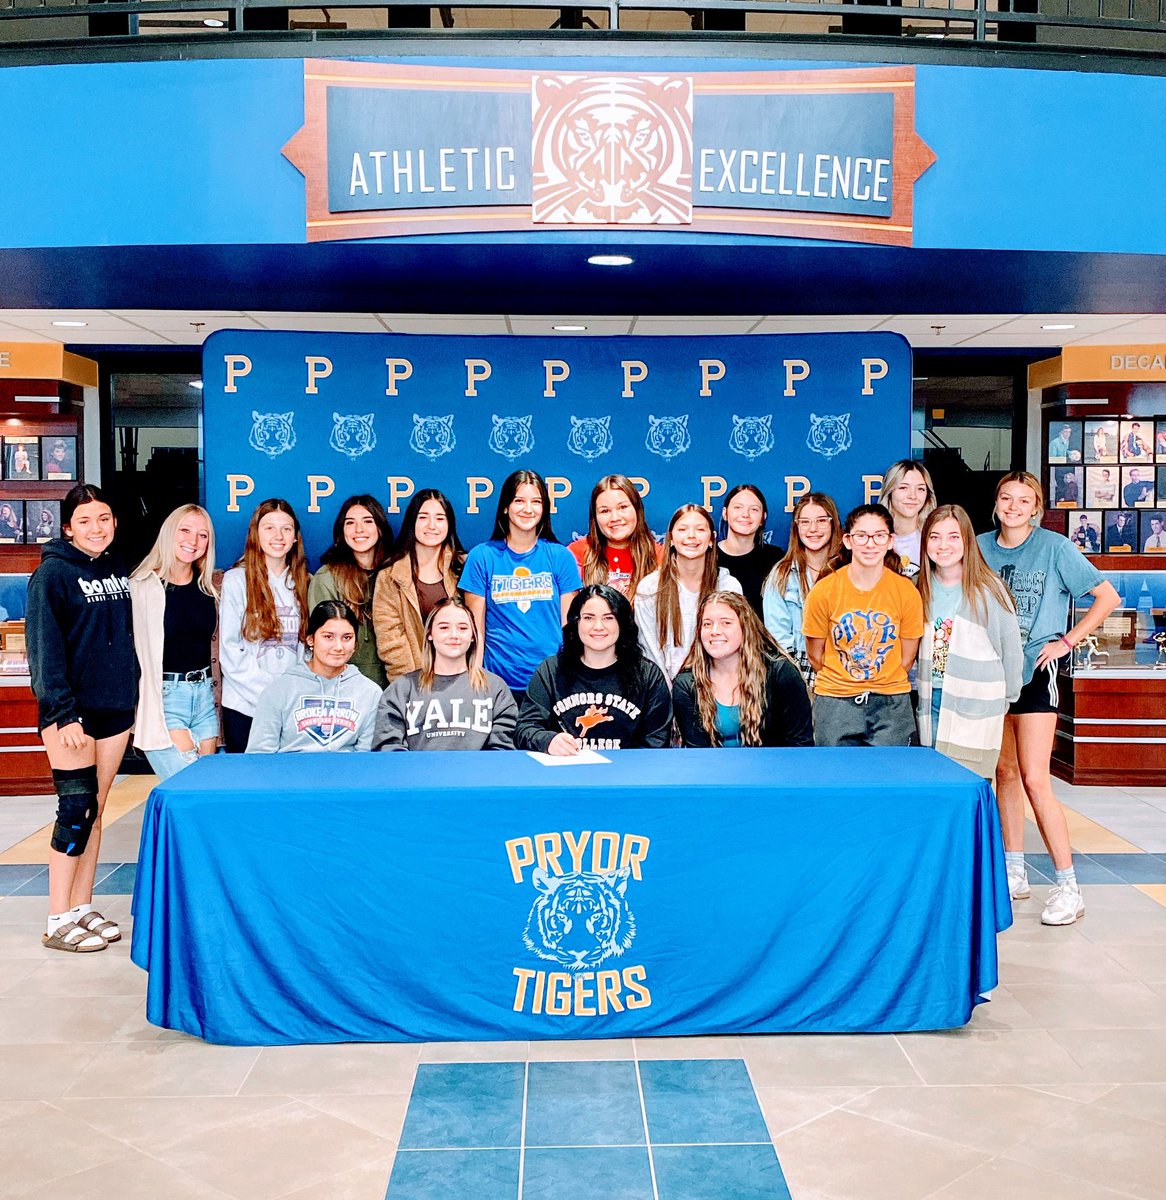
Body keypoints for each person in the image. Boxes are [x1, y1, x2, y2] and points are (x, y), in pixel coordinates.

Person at [978, 471, 1121, 926]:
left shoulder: (1056, 547)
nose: (1014, 506)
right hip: (989, 671)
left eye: (1024, 500)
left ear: (1036, 507)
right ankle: (1014, 871)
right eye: (1007, 498)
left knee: (1037, 778)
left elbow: (1107, 597)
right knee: (1005, 772)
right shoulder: (979, 546)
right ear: (996, 503)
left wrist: (1067, 641)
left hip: (1037, 670)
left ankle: (1068, 885)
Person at [26, 484, 137, 953]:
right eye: (86, 520)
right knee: (74, 811)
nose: (97, 527)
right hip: (72, 715)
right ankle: (56, 917)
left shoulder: (117, 569)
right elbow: (44, 651)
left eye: (105, 518)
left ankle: (81, 906)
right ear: (68, 527)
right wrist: (61, 711)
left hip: (115, 709)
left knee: (95, 814)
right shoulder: (51, 575)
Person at [803, 504, 924, 747]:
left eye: (879, 536)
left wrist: (877, 680)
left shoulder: (906, 592)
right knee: (836, 780)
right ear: (848, 541)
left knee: (889, 780)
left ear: (890, 541)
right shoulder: (824, 591)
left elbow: (907, 657)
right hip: (836, 702)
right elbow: (816, 656)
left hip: (890, 704)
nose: (870, 544)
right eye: (862, 536)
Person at [916, 505, 1023, 778]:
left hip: (977, 701)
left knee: (970, 783)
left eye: (953, 537)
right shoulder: (917, 586)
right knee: (934, 781)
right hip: (932, 698)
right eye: (935, 537)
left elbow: (1010, 650)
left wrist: (1007, 698)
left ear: (967, 541)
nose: (943, 546)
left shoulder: (989, 589)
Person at [461, 470, 581, 703]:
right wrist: (473, 676)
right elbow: (475, 629)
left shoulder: (560, 556)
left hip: (552, 681)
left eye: (536, 502)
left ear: (545, 508)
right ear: (505, 507)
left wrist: (572, 675)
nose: (528, 509)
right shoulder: (482, 556)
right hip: (496, 683)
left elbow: (570, 628)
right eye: (519, 501)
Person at [516, 584, 672, 754]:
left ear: (622, 623)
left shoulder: (648, 676)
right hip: (566, 772)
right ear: (576, 622)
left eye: (608, 618)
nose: (598, 626)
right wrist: (548, 741)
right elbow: (525, 728)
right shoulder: (551, 671)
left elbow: (656, 741)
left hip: (627, 775)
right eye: (589, 618)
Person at [129, 505, 219, 779]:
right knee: (187, 786)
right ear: (169, 532)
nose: (193, 541)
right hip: (166, 697)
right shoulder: (141, 586)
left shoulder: (212, 587)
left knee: (205, 787)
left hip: (206, 696)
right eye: (185, 530)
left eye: (202, 535)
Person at [219, 498, 310, 753]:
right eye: (269, 527)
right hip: (245, 706)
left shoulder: (304, 582)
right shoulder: (237, 580)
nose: (278, 536)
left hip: (292, 706)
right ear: (256, 534)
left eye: (286, 528)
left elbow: (308, 651)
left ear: (295, 537)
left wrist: (291, 696)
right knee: (249, 785)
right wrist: (271, 696)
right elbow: (230, 650)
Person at [374, 597, 517, 751]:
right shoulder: (402, 690)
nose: (454, 635)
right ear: (430, 634)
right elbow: (388, 750)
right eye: (444, 628)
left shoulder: (495, 689)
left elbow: (502, 752)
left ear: (473, 636)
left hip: (478, 774)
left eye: (463, 628)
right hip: (418, 774)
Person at [673, 591, 813, 748]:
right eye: (707, 624)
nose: (715, 631)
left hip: (774, 769)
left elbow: (800, 745)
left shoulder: (780, 674)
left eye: (726, 623)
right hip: (713, 770)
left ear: (745, 627)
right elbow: (698, 755)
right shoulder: (686, 684)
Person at [247, 600, 381, 752]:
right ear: (310, 639)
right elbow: (260, 755)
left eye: (347, 637)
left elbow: (366, 759)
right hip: (289, 774)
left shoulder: (371, 693)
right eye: (328, 637)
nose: (338, 647)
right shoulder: (278, 691)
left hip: (347, 774)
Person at [634, 504, 742, 682]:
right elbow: (650, 652)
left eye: (700, 529)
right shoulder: (650, 588)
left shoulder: (728, 587)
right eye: (683, 529)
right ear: (670, 538)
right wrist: (670, 698)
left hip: (717, 688)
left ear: (711, 539)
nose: (691, 536)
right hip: (665, 693)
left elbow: (733, 649)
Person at [373, 488, 465, 682]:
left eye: (440, 518)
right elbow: (391, 642)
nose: (432, 525)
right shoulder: (390, 576)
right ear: (412, 522)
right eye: (423, 517)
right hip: (414, 684)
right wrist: (415, 687)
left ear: (449, 524)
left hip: (462, 682)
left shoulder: (464, 568)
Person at [308, 494, 392, 688]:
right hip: (343, 689)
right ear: (341, 531)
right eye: (350, 522)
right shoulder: (327, 577)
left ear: (380, 528)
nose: (358, 529)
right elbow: (324, 644)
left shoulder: (396, 574)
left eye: (368, 521)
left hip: (394, 687)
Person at [762, 492, 842, 686]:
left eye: (822, 520)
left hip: (845, 675)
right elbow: (778, 641)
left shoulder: (848, 570)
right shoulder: (782, 575)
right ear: (796, 528)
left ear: (833, 524)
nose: (813, 529)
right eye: (805, 522)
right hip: (798, 675)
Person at [568, 474, 661, 602]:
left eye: (623, 507)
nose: (615, 518)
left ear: (637, 509)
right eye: (605, 511)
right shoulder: (576, 553)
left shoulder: (660, 556)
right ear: (595, 517)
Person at [716, 484, 783, 619]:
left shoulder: (775, 558)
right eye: (738, 507)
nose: (745, 514)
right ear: (725, 513)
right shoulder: (707, 557)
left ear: (763, 518)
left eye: (754, 509)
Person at [879, 459, 936, 579]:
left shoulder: (934, 539)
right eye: (903, 488)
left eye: (920, 489)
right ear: (889, 492)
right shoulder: (874, 539)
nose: (912, 496)